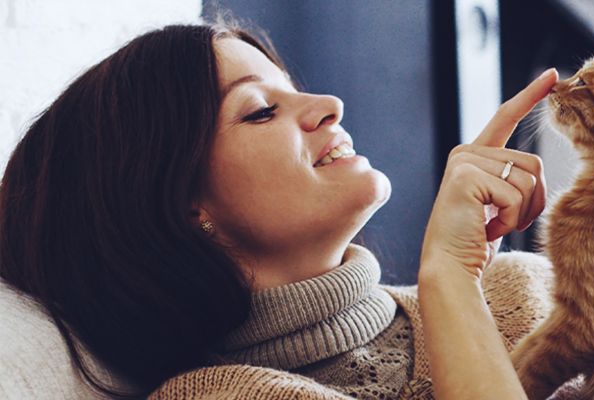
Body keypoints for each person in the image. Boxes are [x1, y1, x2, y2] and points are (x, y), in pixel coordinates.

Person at [0, 21, 558, 399]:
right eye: (261, 111)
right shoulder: (219, 396)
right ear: (182, 204)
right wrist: (450, 281)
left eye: (293, 89)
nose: (330, 105)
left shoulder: (523, 287)